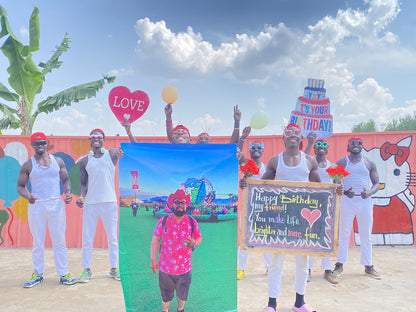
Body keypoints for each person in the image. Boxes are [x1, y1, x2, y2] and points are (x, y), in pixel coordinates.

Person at [16, 132, 77, 287]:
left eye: (43, 142)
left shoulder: (58, 161)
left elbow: (66, 180)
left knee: (59, 240)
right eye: (37, 143)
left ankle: (64, 273)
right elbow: (20, 186)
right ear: (32, 145)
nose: (40, 145)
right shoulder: (28, 165)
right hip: (37, 207)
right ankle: (38, 273)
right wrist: (27, 196)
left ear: (47, 143)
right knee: (38, 241)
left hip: (56, 205)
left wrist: (68, 192)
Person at [76, 129, 123, 283]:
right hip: (90, 203)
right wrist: (81, 197)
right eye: (94, 137)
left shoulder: (111, 154)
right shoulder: (84, 161)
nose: (96, 139)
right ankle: (86, 270)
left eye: (99, 137)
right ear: (89, 140)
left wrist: (127, 131)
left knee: (112, 238)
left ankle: (114, 269)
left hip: (109, 202)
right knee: (87, 238)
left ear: (104, 140)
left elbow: (124, 151)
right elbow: (83, 183)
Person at [332, 136, 381, 280]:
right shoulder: (341, 162)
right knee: (344, 234)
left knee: (366, 235)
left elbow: (377, 183)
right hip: (348, 200)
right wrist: (345, 191)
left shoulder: (369, 163)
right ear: (348, 146)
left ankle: (368, 266)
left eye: (358, 143)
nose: (355, 145)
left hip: (365, 201)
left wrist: (369, 192)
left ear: (362, 145)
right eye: (352, 143)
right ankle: (339, 265)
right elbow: (335, 180)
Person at [150, 189, 202, 312]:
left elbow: (199, 238)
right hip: (165, 269)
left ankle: (180, 309)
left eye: (182, 202)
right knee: (166, 295)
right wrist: (153, 260)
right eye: (177, 202)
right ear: (171, 204)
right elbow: (155, 240)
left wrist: (194, 243)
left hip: (184, 268)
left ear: (186, 205)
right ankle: (165, 310)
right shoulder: (163, 221)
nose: (180, 205)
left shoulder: (191, 222)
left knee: (182, 294)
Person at [305, 134, 338, 285]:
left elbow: (338, 184)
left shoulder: (333, 166)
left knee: (328, 237)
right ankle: (308, 269)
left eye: (324, 146)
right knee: (310, 235)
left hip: (328, 205)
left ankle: (327, 270)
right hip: (311, 204)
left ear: (327, 149)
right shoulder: (309, 163)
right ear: (314, 148)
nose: (321, 148)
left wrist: (340, 188)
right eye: (318, 146)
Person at [237, 140, 270, 280]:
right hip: (248, 207)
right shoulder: (245, 166)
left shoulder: (268, 168)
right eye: (253, 148)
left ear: (263, 151)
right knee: (245, 239)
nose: (256, 150)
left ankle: (269, 268)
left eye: (259, 148)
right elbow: (239, 155)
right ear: (250, 152)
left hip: (264, 207)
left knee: (266, 238)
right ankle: (241, 269)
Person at [165, 103, 241, 144]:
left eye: (183, 132)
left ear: (190, 140)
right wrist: (168, 117)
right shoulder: (165, 151)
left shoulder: (198, 150)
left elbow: (232, 143)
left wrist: (237, 122)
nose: (180, 134)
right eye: (177, 133)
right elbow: (171, 135)